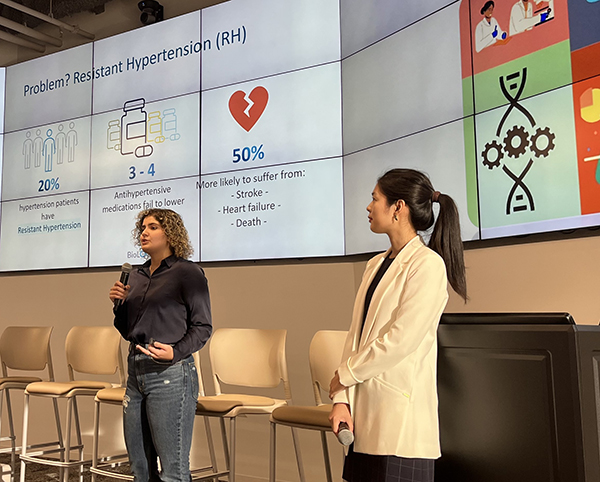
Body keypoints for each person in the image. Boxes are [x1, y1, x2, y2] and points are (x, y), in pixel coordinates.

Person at [328, 169, 467, 482]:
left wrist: (345, 375)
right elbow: (356, 337)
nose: (368, 207)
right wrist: (341, 400)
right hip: (362, 424)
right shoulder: (375, 264)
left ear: (398, 207)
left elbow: (402, 339)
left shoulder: (428, 266)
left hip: (401, 428)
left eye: (375, 199)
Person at [109, 208, 212, 482]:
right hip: (136, 372)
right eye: (143, 227)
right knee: (140, 469)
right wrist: (118, 307)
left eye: (153, 227)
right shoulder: (137, 275)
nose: (144, 232)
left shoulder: (188, 273)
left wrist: (175, 352)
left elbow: (203, 327)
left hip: (170, 374)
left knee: (172, 471)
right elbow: (127, 330)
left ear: (170, 233)